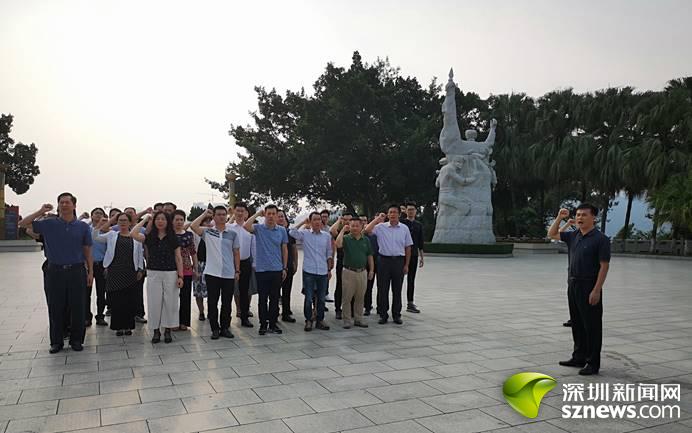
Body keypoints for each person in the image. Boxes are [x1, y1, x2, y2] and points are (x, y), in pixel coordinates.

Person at [19, 193, 93, 353]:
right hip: (55, 271)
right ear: (58, 205)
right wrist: (41, 211)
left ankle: (76, 340)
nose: (64, 205)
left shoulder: (83, 227)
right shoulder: (49, 223)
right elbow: (23, 224)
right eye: (61, 202)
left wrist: (90, 272)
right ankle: (56, 341)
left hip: (77, 270)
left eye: (67, 202)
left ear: (74, 205)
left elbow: (87, 249)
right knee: (55, 306)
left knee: (78, 306)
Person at [548, 204, 610, 376]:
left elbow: (604, 266)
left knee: (591, 326)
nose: (580, 218)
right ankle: (579, 357)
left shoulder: (601, 239)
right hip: (573, 284)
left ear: (593, 218)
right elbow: (552, 234)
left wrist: (596, 290)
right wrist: (559, 218)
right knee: (577, 323)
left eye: (584, 215)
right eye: (578, 215)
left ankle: (593, 363)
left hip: (589, 285)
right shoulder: (574, 235)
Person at [131, 212, 183, 344]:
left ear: (167, 222)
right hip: (153, 272)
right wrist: (145, 220)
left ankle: (167, 330)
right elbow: (133, 233)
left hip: (170, 272)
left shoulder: (173, 238)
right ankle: (156, 331)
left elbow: (178, 258)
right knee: (154, 302)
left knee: (170, 302)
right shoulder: (150, 237)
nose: (160, 221)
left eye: (163, 219)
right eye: (157, 219)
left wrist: (180, 276)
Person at [191, 206, 241, 339]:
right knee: (212, 302)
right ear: (213, 217)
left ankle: (225, 327)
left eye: (224, 214)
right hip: (212, 272)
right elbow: (193, 226)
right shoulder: (208, 232)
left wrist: (237, 270)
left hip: (228, 273)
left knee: (227, 302)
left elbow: (236, 253)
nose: (222, 217)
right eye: (218, 214)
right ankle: (215, 328)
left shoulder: (232, 234)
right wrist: (204, 214)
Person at [94, 212, 144, 336]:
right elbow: (95, 237)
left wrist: (140, 269)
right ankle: (118, 327)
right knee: (116, 300)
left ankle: (128, 326)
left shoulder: (136, 236)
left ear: (130, 222)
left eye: (125, 220)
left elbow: (139, 254)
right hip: (114, 271)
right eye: (120, 220)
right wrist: (103, 223)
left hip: (130, 271)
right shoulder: (112, 235)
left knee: (129, 300)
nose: (122, 223)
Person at [364, 205, 413, 325]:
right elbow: (367, 230)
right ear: (387, 214)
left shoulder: (404, 228)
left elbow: (408, 247)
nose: (392, 214)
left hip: (398, 261)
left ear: (399, 214)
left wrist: (406, 264)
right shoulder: (381, 227)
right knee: (382, 289)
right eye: (390, 212)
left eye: (395, 212)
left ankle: (396, 314)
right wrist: (377, 219)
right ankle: (383, 314)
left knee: (397, 289)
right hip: (383, 261)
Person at [244, 205, 288, 335]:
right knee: (262, 299)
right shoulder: (259, 229)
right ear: (265, 215)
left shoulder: (282, 230)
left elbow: (284, 249)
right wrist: (258, 213)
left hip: (277, 269)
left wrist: (284, 267)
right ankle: (263, 324)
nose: (271, 216)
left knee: (274, 299)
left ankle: (273, 324)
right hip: (262, 270)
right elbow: (246, 226)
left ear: (277, 215)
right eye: (268, 213)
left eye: (274, 214)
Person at [290, 212, 333, 331]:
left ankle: (320, 319)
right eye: (314, 219)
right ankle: (308, 320)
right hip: (309, 270)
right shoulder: (305, 234)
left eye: (319, 219)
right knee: (308, 297)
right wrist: (303, 223)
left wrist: (329, 269)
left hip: (323, 271)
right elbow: (292, 232)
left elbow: (329, 252)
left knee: (321, 298)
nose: (317, 222)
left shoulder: (326, 236)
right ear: (310, 221)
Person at [336, 217, 374, 329]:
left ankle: (358, 319)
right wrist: (343, 230)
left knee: (360, 297)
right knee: (347, 298)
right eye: (352, 226)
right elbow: (338, 244)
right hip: (349, 272)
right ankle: (347, 320)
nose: (355, 228)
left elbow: (369, 255)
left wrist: (371, 270)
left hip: (362, 272)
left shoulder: (365, 240)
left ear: (362, 226)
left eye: (357, 226)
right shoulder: (346, 238)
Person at [228, 203, 255, 328]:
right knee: (228, 291)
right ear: (234, 211)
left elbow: (253, 247)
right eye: (237, 210)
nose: (239, 213)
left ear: (246, 213)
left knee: (244, 291)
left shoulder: (249, 229)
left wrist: (254, 263)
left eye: (242, 211)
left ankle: (245, 317)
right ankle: (226, 320)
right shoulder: (228, 227)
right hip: (230, 262)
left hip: (245, 262)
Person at [173, 210, 197, 331]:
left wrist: (196, 268)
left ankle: (184, 322)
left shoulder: (189, 235)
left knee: (185, 296)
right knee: (172, 297)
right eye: (176, 219)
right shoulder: (168, 235)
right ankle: (172, 322)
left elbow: (193, 252)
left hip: (187, 268)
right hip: (171, 269)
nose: (179, 222)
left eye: (181, 219)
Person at [401, 202, 425, 313]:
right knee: (398, 280)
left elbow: (421, 242)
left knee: (411, 280)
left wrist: (422, 257)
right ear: (406, 211)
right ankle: (397, 304)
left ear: (416, 211)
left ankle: (410, 303)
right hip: (401, 255)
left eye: (412, 209)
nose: (411, 211)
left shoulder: (418, 225)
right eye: (409, 209)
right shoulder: (401, 223)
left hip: (414, 255)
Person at [329, 212, 353, 320]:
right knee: (340, 286)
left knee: (352, 288)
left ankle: (350, 309)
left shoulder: (355, 232)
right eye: (345, 219)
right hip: (342, 263)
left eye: (349, 220)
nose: (347, 222)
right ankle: (338, 309)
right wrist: (339, 220)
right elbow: (332, 231)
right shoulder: (339, 232)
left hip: (352, 263)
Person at [87, 207, 109, 327]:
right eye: (96, 213)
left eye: (101, 213)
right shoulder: (86, 229)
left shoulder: (106, 231)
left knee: (101, 292)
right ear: (92, 216)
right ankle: (87, 317)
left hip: (101, 265)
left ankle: (100, 316)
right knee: (86, 293)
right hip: (87, 265)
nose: (98, 215)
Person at [278, 209, 298, 323]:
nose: (281, 218)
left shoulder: (290, 233)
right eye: (279, 216)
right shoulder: (271, 232)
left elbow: (294, 249)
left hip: (288, 265)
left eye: (283, 216)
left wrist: (295, 263)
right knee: (274, 292)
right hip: (275, 266)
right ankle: (274, 312)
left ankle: (286, 312)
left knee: (287, 291)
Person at [192, 216, 212, 321]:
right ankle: (201, 312)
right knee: (198, 290)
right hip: (199, 264)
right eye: (206, 222)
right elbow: (192, 226)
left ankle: (211, 311)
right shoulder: (196, 233)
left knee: (212, 291)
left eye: (210, 222)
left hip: (211, 264)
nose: (208, 224)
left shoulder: (214, 233)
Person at [560, 219, 576, 327]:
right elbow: (558, 233)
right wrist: (567, 224)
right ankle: (573, 319)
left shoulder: (594, 238)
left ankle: (581, 320)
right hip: (572, 275)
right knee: (572, 299)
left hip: (586, 277)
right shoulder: (572, 236)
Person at [363, 215, 378, 316]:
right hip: (365, 262)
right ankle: (367, 306)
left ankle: (379, 307)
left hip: (378, 261)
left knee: (379, 286)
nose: (364, 222)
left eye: (365, 220)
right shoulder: (361, 234)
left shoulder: (376, 234)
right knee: (367, 286)